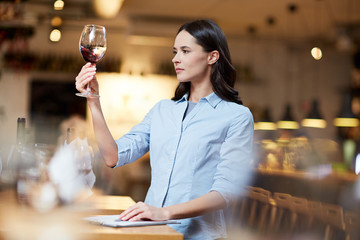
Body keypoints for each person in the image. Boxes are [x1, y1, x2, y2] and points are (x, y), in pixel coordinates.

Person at [75, 19, 254, 240]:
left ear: (212, 57)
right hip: (155, 234)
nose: (175, 59)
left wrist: (163, 212)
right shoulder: (162, 110)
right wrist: (93, 100)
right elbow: (112, 156)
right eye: (175, 51)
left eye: (185, 51)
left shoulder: (236, 117)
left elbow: (225, 193)